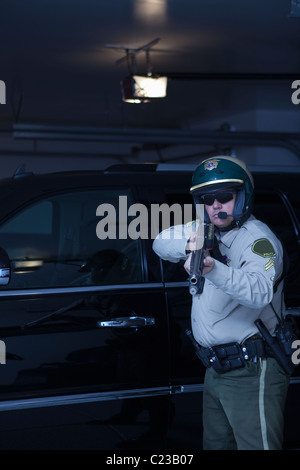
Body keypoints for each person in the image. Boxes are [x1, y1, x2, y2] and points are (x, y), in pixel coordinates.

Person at [152, 156, 290, 450]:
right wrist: (190, 244)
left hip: (251, 369)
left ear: (243, 197)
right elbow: (160, 241)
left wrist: (213, 268)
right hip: (216, 368)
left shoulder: (259, 241)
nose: (215, 205)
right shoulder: (203, 228)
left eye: (224, 196)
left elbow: (259, 291)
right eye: (206, 198)